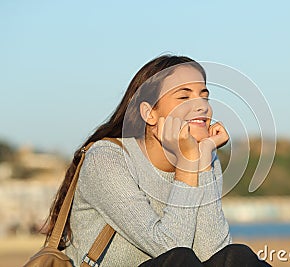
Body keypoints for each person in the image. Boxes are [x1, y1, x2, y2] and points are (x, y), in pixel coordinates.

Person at [44, 55, 272, 266]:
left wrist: (201, 163)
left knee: (238, 257)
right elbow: (170, 249)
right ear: (149, 113)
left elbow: (214, 253)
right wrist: (187, 164)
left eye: (204, 95)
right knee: (178, 259)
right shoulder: (107, 158)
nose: (201, 105)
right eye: (184, 96)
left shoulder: (204, 158)